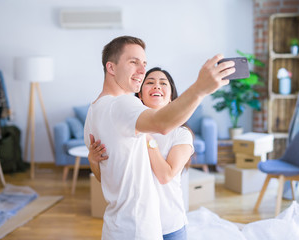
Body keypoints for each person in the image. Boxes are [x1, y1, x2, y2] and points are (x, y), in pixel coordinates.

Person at [83, 35, 235, 239]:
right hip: (138, 229)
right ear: (111, 68)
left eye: (143, 64)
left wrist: (93, 161)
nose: (141, 71)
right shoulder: (123, 105)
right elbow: (162, 124)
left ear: (171, 95)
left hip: (118, 228)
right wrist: (200, 88)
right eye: (133, 62)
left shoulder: (94, 111)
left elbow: (112, 177)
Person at [89, 67, 194, 239]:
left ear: (171, 97)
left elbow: (165, 176)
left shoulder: (181, 134)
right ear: (139, 95)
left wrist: (145, 136)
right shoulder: (125, 130)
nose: (157, 86)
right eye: (150, 82)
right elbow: (110, 180)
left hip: (169, 226)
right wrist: (93, 161)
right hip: (136, 226)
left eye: (163, 83)